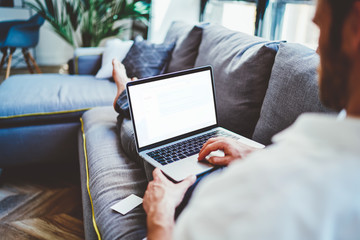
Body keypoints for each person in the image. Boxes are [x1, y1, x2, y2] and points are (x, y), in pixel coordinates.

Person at [113, 0, 360, 238]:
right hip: (231, 161)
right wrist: (255, 153)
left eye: (319, 27)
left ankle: (125, 95)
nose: (317, 51)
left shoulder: (250, 192)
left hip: (193, 187)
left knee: (142, 136)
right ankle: (127, 96)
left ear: (354, 29)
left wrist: (160, 214)